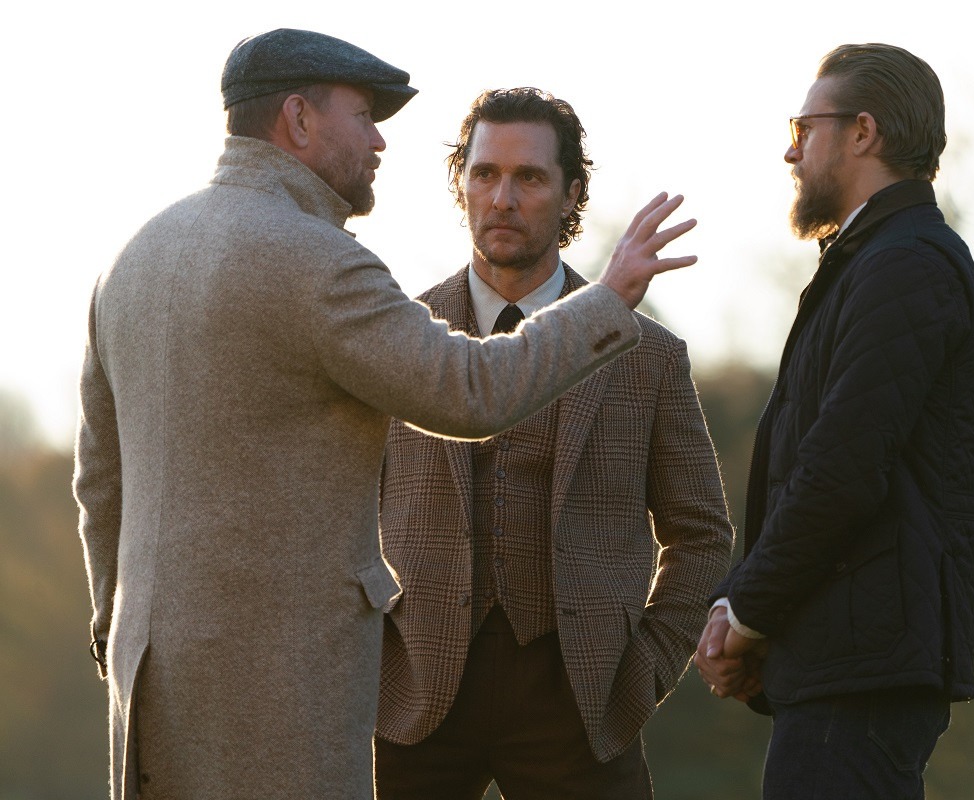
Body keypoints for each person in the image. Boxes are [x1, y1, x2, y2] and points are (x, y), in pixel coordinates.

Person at [73, 30, 697, 800]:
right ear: (299, 119)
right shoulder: (319, 262)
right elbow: (471, 392)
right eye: (364, 115)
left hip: (150, 686)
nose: (378, 141)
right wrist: (608, 299)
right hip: (287, 693)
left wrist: (116, 623)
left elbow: (99, 483)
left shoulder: (130, 259)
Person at [371, 86, 733, 800]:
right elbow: (333, 518)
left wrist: (644, 671)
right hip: (416, 692)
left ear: (571, 195)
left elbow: (701, 535)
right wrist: (369, 657)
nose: (502, 198)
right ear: (461, 185)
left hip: (580, 698)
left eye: (529, 177)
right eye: (484, 173)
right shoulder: (399, 337)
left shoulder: (648, 356)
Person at [694, 43, 974, 799]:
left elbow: (841, 472)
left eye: (804, 128)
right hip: (843, 663)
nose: (791, 151)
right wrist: (756, 613)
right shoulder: (872, 260)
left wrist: (747, 609)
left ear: (863, 132)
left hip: (864, 676)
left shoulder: (904, 264)